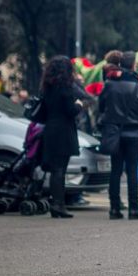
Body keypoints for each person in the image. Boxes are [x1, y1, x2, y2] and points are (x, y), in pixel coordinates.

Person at [97, 51, 138, 219]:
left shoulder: (109, 85)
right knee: (132, 171)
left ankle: (114, 209)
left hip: (114, 133)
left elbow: (101, 108)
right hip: (134, 134)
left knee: (115, 171)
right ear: (134, 65)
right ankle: (133, 209)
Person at [40, 56, 89, 218]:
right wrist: (79, 104)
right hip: (63, 130)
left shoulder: (47, 86)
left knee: (56, 169)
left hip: (50, 128)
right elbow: (71, 110)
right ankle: (58, 205)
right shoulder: (66, 87)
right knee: (60, 169)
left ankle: (57, 203)